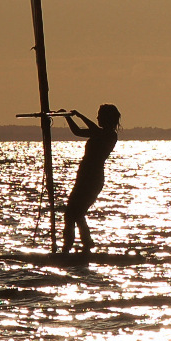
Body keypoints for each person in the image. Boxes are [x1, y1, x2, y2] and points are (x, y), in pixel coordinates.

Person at [60, 104, 121, 253]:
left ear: (107, 118)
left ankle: (72, 247)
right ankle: (84, 244)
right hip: (83, 177)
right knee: (72, 213)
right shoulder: (98, 133)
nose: (98, 118)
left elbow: (94, 129)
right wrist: (68, 117)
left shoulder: (110, 135)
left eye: (100, 115)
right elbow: (77, 131)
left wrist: (80, 115)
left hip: (93, 179)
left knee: (75, 213)